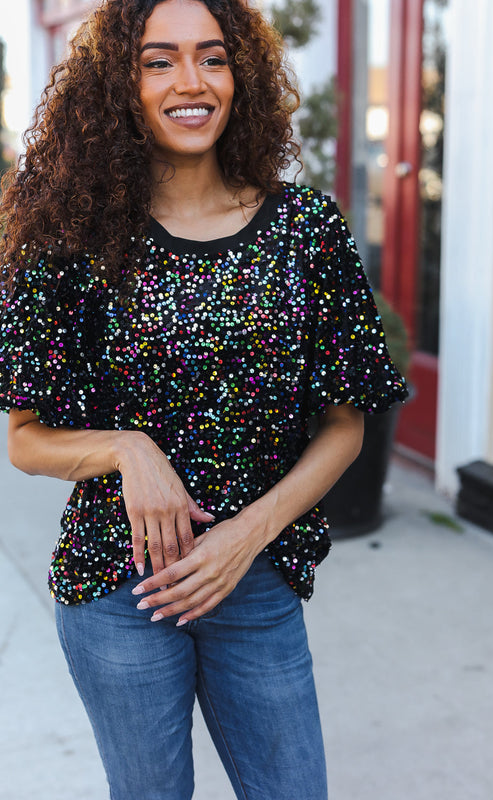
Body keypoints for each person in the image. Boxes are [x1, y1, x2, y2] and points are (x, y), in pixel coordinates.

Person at [0, 0, 408, 798]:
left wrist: (247, 533)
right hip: (121, 585)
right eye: (158, 61)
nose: (191, 82)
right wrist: (125, 448)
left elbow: (345, 425)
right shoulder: (69, 243)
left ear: (239, 74)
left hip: (253, 583)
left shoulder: (306, 231)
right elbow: (25, 437)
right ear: (120, 83)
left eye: (211, 57)